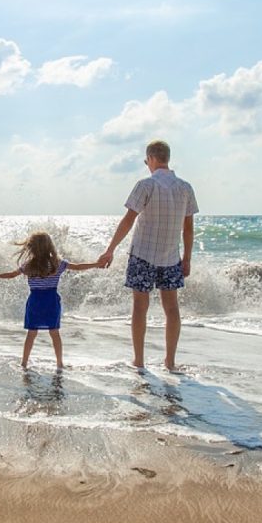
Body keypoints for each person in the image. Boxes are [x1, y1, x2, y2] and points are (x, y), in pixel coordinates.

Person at [96, 140, 198, 371]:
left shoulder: (145, 185)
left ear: (151, 159)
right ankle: (170, 362)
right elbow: (189, 229)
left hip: (143, 254)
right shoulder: (185, 188)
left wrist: (110, 248)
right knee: (171, 309)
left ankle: (139, 361)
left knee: (140, 308)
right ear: (167, 158)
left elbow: (128, 220)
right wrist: (188, 258)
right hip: (171, 257)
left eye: (146, 161)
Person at [0, 231, 100, 369]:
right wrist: (96, 264)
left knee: (31, 333)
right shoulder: (57, 264)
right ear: (50, 246)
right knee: (54, 333)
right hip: (51, 302)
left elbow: (12, 275)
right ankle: (59, 363)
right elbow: (78, 267)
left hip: (35, 302)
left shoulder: (28, 265)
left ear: (31, 248)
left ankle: (24, 363)